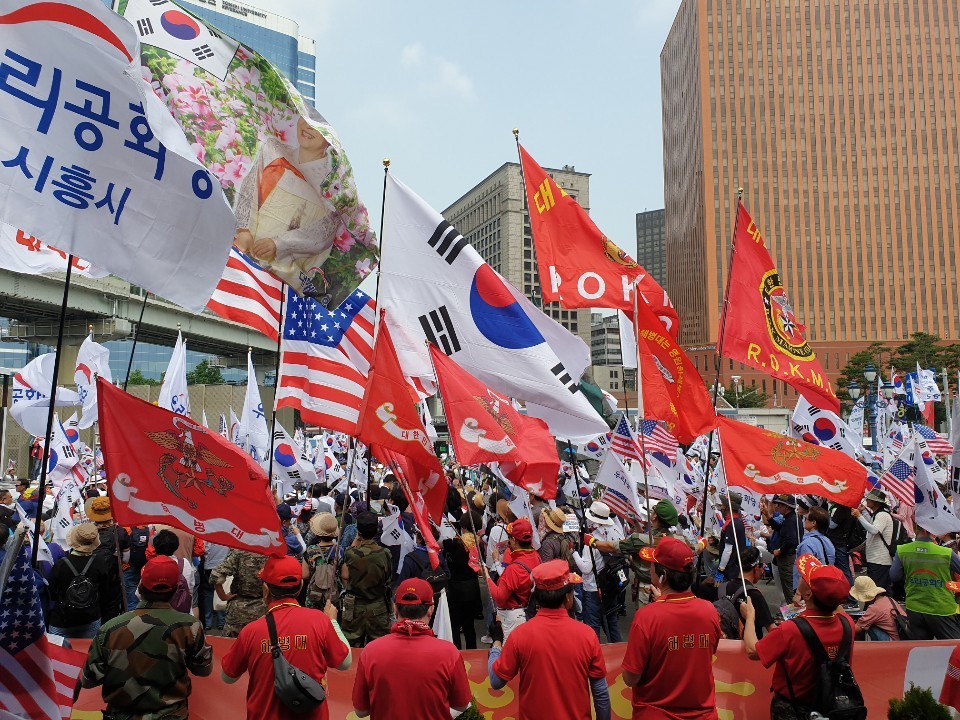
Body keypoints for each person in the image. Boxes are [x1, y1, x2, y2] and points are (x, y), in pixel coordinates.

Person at [80, 556, 213, 718]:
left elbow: (88, 680)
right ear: (175, 590)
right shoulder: (191, 626)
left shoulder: (110, 628)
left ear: (140, 587)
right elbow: (204, 669)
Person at [222, 556, 351, 720]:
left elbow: (228, 677)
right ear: (300, 587)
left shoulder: (250, 632)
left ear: (266, 589)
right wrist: (332, 621)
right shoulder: (320, 621)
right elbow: (344, 662)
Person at [488, 560, 610, 720]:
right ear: (568, 597)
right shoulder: (587, 635)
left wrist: (497, 643)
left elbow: (496, 681)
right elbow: (600, 692)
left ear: (537, 598)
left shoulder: (520, 635)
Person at [742, 554, 856, 719]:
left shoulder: (791, 629)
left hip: (794, 709)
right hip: (833, 706)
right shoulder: (847, 624)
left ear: (808, 594)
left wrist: (751, 617)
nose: (801, 577)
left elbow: (753, 651)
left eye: (805, 578)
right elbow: (835, 604)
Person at [621, 537, 721, 719]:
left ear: (663, 575)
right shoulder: (709, 611)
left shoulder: (647, 617)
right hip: (703, 714)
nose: (650, 568)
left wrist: (660, 606)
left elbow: (630, 677)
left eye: (652, 564)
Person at [352, 577, 471, 719]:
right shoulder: (449, 653)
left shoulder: (370, 651)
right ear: (431, 609)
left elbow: (361, 711)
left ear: (395, 609)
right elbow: (461, 705)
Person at [890, 520, 960, 639]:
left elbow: (894, 576)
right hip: (942, 608)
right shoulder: (946, 553)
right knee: (953, 648)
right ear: (928, 530)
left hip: (914, 608)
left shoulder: (902, 550)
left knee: (920, 650)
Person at [47, 523, 117, 639]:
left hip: (62, 620)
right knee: (87, 655)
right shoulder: (100, 563)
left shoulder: (61, 564)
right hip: (90, 618)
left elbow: (52, 593)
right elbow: (107, 594)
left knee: (60, 656)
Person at [341, 511, 393, 647]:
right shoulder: (384, 553)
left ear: (358, 531)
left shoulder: (350, 553)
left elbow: (345, 575)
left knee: (352, 646)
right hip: (378, 606)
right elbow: (388, 577)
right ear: (376, 530)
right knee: (379, 647)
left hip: (354, 607)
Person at [576, 501, 626, 642]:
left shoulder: (592, 540)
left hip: (594, 587)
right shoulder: (617, 530)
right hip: (613, 584)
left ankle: (594, 657)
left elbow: (586, 569)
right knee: (611, 623)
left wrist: (574, 553)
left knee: (592, 626)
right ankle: (619, 653)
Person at [486, 518, 541, 642]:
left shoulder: (514, 569)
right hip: (529, 613)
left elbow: (500, 598)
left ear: (514, 540)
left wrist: (487, 577)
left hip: (513, 618)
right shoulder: (536, 556)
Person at [442, 513, 483, 649]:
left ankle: (456, 655)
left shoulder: (453, 543)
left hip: (455, 589)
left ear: (463, 526)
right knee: (469, 626)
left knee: (454, 626)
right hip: (472, 588)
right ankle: (473, 654)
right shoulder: (479, 544)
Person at [211, 549, 268, 638]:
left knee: (231, 646)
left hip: (238, 612)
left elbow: (215, 575)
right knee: (259, 646)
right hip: (263, 610)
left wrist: (223, 597)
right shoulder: (271, 554)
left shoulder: (238, 553)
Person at [723, 546, 776, 639]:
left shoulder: (723, 587)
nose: (764, 569)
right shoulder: (753, 595)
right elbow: (772, 630)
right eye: (763, 565)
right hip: (749, 647)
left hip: (725, 646)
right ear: (756, 568)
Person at [851, 489, 895, 591]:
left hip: (879, 559)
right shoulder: (877, 515)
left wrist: (859, 515)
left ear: (876, 502)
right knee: (880, 590)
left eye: (870, 499)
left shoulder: (882, 515)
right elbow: (870, 524)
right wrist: (863, 513)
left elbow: (874, 530)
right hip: (875, 559)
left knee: (875, 591)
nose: (867, 501)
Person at [792, 505, 835, 601]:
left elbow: (806, 570)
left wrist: (799, 593)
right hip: (824, 585)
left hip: (808, 590)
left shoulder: (807, 544)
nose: (804, 520)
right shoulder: (828, 541)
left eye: (806, 518)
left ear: (813, 523)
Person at [765, 494, 801, 604]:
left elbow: (791, 540)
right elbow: (781, 529)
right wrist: (769, 517)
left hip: (787, 558)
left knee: (788, 587)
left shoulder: (790, 520)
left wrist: (780, 550)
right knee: (787, 585)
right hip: (787, 557)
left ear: (786, 507)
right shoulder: (790, 518)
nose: (776, 507)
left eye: (779, 505)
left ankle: (792, 613)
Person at [302, 512, 341, 609]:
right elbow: (344, 575)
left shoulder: (310, 550)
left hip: (314, 596)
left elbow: (305, 575)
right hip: (334, 595)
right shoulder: (340, 551)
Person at [848, 575, 902, 641]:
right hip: (901, 637)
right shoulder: (889, 599)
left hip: (892, 641)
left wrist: (847, 621)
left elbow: (856, 629)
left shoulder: (873, 608)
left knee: (868, 626)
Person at [716, 491, 748, 583]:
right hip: (737, 564)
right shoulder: (738, 520)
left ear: (727, 506)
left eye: (723, 504)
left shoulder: (731, 524)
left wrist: (721, 569)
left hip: (731, 566)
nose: (721, 506)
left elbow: (728, 550)